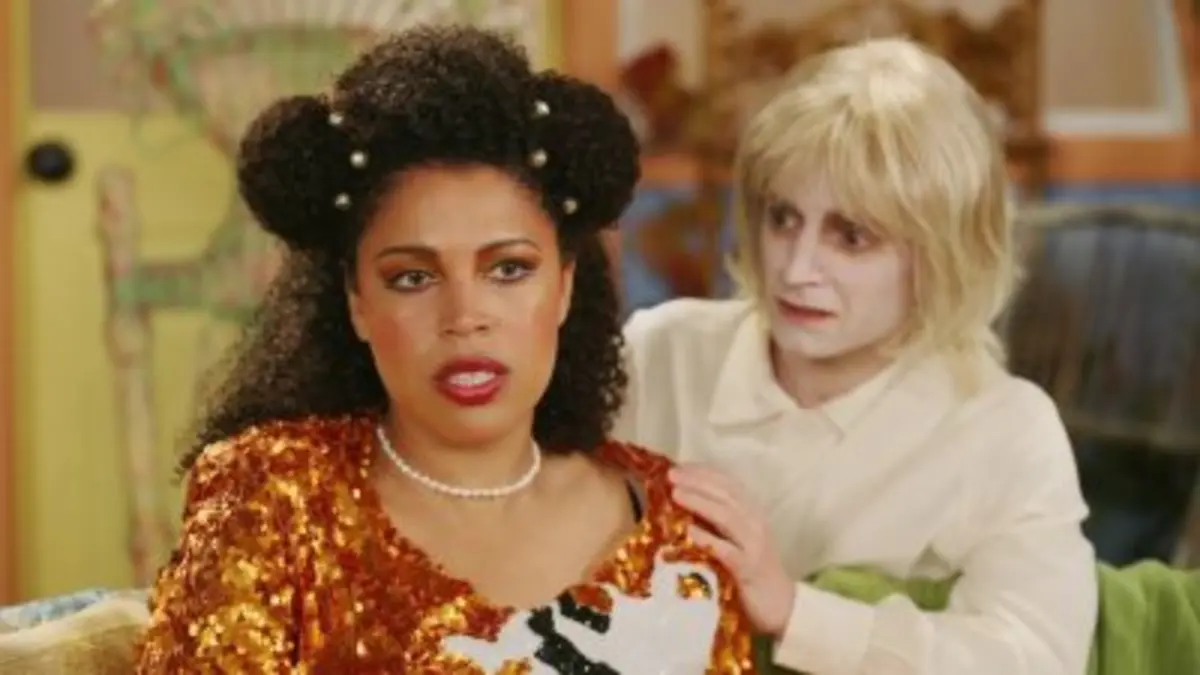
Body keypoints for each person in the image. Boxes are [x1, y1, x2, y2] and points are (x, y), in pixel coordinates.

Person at [136, 25, 759, 673]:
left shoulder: (673, 523)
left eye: (509, 269)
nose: (464, 318)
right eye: (413, 277)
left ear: (565, 286)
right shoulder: (270, 496)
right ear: (357, 301)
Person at [614, 38, 1098, 674]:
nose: (797, 267)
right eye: (784, 218)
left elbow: (1037, 660)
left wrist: (795, 612)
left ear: (942, 254)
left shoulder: (1005, 428)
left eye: (851, 237)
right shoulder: (661, 353)